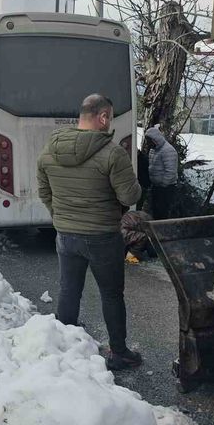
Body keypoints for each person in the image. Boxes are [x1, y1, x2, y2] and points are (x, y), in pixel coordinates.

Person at [37, 94, 144, 371]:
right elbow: (130, 195)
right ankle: (119, 353)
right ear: (104, 117)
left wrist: (61, 217)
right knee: (111, 294)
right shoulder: (112, 153)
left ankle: (62, 346)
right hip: (102, 236)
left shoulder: (49, 150)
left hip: (65, 235)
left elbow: (44, 192)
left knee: (69, 290)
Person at [144, 126, 179, 220]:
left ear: (156, 139)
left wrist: (163, 184)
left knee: (163, 213)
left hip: (166, 188)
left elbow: (171, 171)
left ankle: (163, 231)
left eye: (150, 140)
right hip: (156, 186)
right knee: (155, 211)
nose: (149, 143)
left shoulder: (168, 151)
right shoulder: (153, 150)